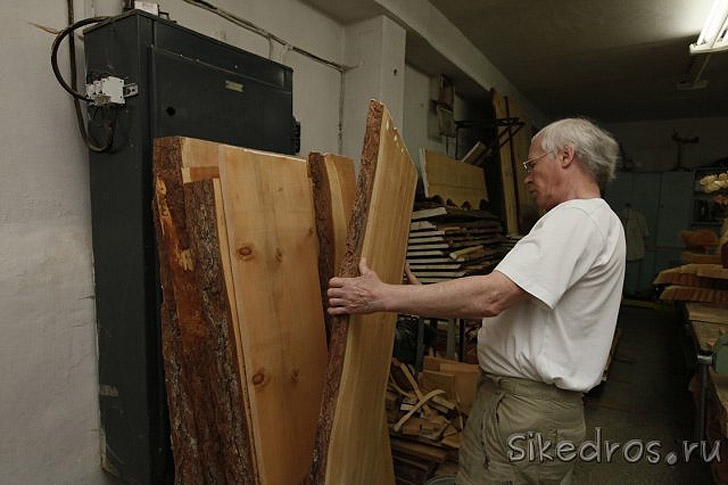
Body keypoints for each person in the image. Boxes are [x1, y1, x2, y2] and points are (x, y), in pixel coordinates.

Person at [327, 118, 626, 484]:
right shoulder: (600, 221)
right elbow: (525, 307)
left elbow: (493, 296)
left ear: (566, 156)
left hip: (526, 408)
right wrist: (425, 296)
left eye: (532, 165)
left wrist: (380, 296)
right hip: (531, 405)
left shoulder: (575, 218)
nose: (528, 178)